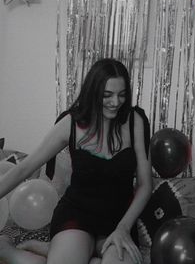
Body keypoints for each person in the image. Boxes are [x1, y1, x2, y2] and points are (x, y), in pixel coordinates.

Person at [0, 58, 152, 264]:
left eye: (121, 94)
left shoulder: (136, 121)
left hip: (119, 220)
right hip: (76, 216)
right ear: (92, 92)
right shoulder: (71, 123)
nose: (116, 102)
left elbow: (144, 185)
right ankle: (8, 250)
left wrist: (124, 229)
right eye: (107, 95)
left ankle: (53, 250)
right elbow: (25, 167)